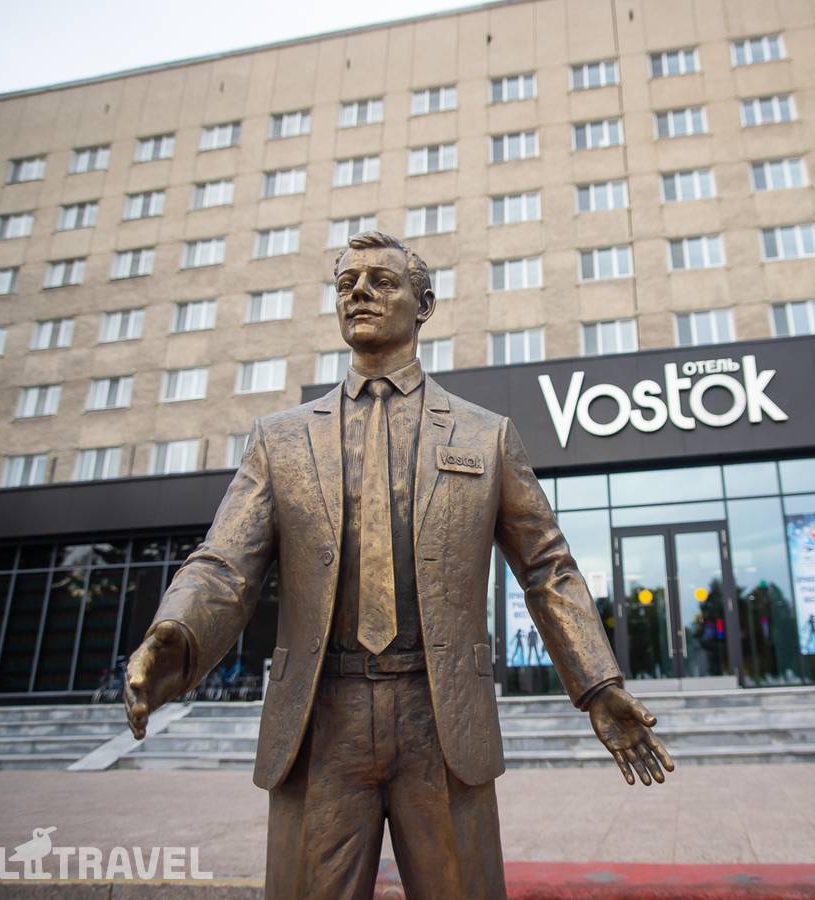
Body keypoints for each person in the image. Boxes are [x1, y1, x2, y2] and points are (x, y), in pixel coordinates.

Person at [122, 231, 673, 899]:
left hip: (441, 719)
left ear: (424, 305)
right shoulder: (280, 440)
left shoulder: (484, 435)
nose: (358, 292)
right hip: (322, 721)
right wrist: (174, 636)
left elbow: (546, 567)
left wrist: (597, 683)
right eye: (345, 284)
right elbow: (224, 564)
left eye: (381, 281)